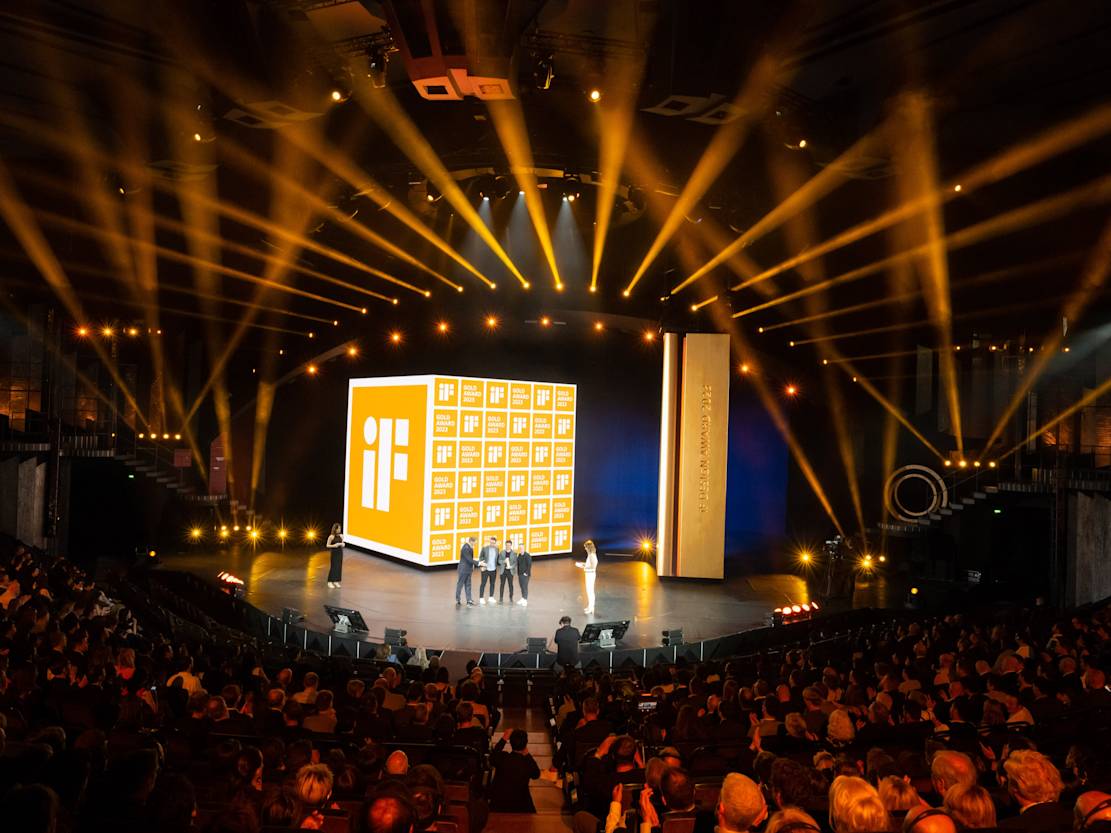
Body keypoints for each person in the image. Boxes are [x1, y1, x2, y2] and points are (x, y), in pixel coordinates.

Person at [490, 729, 541, 812]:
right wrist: (527, 754)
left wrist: (504, 738)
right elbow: (536, 774)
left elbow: (492, 757)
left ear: (510, 742)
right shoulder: (527, 762)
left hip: (499, 805)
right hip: (521, 806)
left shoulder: (503, 757)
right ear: (526, 744)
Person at [575, 539, 598, 615]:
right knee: (589, 591)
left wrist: (582, 566)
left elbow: (593, 566)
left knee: (590, 591)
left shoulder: (592, 555)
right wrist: (583, 564)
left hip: (590, 574)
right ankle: (589, 607)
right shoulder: (591, 555)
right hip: (589, 574)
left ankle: (591, 608)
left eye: (586, 547)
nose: (585, 549)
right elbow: (589, 564)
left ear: (589, 547)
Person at [455, 536, 476, 606]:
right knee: (460, 584)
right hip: (463, 569)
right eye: (475, 542)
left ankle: (469, 600)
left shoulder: (470, 547)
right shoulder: (465, 548)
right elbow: (469, 559)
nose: (475, 544)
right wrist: (478, 563)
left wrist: (472, 565)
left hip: (468, 569)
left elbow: (470, 559)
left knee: (468, 585)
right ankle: (458, 599)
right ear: (471, 541)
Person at [478, 536, 499, 605]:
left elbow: (497, 559)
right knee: (483, 584)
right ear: (489, 542)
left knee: (492, 584)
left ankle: (491, 597)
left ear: (495, 543)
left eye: (493, 543)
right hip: (485, 569)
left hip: (493, 570)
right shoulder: (485, 548)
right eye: (491, 543)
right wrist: (481, 566)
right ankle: (481, 598)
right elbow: (480, 557)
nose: (492, 544)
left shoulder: (497, 549)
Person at [497, 540, 517, 605]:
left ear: (511, 545)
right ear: (505, 545)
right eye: (507, 545)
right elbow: (499, 561)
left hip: (510, 571)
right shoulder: (502, 552)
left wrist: (511, 567)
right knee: (502, 585)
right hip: (503, 571)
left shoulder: (514, 553)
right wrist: (504, 561)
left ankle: (511, 598)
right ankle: (501, 598)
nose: (508, 546)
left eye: (509, 545)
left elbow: (515, 563)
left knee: (510, 585)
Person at [326, 523, 344, 588]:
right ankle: (330, 581)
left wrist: (342, 544)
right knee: (334, 567)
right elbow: (327, 545)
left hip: (340, 552)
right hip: (334, 553)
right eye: (338, 528)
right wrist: (334, 545)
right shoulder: (331, 536)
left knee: (339, 567)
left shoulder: (341, 535)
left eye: (340, 528)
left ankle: (336, 581)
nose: (339, 529)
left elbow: (342, 543)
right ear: (335, 529)